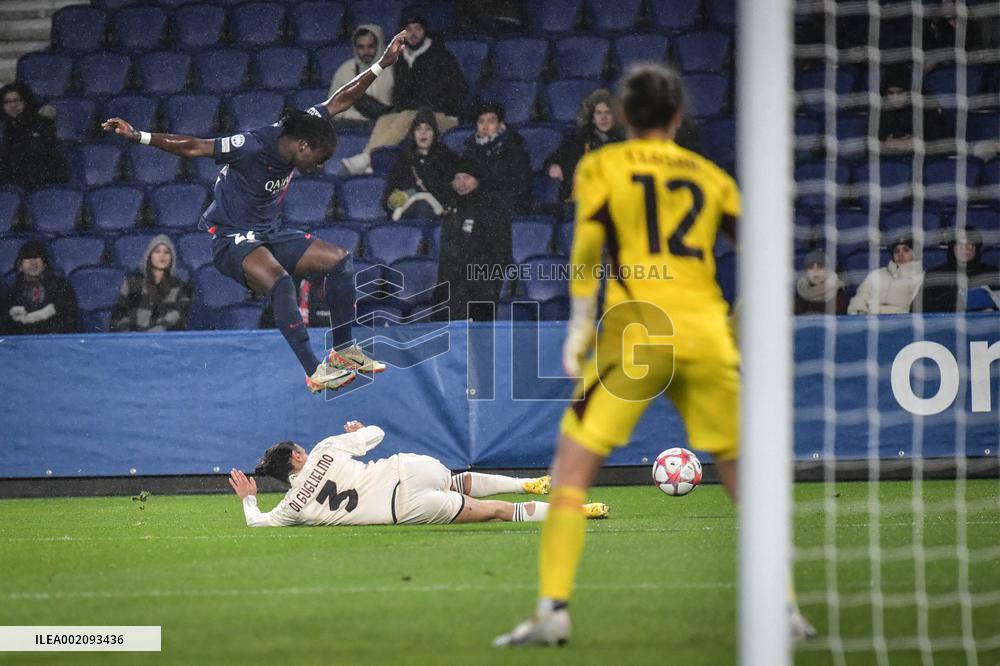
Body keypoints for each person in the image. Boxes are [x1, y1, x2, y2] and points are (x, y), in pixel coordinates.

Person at [493, 63, 815, 647]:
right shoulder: (710, 176)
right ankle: (786, 610)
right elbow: (768, 259)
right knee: (745, 481)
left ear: (622, 116)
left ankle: (553, 609)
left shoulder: (603, 165)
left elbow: (588, 252)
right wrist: (740, 325)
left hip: (636, 335)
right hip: (707, 334)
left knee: (569, 471)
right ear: (678, 116)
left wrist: (577, 330)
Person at [102, 31, 409, 394]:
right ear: (302, 146)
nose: (316, 166)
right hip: (231, 238)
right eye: (317, 159)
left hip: (268, 231)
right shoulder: (251, 146)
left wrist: (380, 64)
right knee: (280, 282)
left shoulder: (304, 127)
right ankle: (315, 370)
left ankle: (344, 352)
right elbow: (193, 147)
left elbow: (340, 101)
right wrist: (138, 135)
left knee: (339, 260)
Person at [229, 419, 609, 527]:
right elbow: (377, 434)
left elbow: (256, 522)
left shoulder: (292, 507)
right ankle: (527, 481)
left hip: (404, 510)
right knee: (455, 478)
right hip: (407, 469)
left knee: (495, 512)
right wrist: (357, 433)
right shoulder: (327, 450)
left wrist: (249, 500)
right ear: (297, 456)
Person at [341, 16, 466, 175]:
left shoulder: (442, 56)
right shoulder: (399, 59)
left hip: (443, 117)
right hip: (411, 114)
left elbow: (458, 90)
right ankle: (369, 159)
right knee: (386, 119)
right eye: (409, 30)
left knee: (410, 114)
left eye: (418, 29)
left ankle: (367, 157)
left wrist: (429, 105)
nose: (413, 34)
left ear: (425, 31)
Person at [432, 158, 511, 321]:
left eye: (467, 178)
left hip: (481, 285)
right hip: (453, 287)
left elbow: (500, 252)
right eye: (458, 178)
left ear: (477, 180)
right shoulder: (450, 211)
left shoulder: (492, 209)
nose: (462, 183)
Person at [544, 89, 625, 204]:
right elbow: (550, 161)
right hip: (578, 202)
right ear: (592, 118)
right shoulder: (576, 140)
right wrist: (553, 166)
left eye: (608, 113)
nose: (604, 118)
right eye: (599, 113)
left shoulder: (624, 143)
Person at [382, 107, 459, 220]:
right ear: (413, 134)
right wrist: (408, 196)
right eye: (418, 129)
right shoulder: (404, 160)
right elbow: (387, 201)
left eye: (428, 129)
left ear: (434, 133)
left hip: (438, 216)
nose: (423, 133)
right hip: (409, 216)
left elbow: (454, 193)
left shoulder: (447, 157)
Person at [109, 235, 194, 332]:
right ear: (149, 256)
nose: (162, 255)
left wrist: (152, 334)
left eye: (167, 252)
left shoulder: (182, 288)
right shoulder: (132, 284)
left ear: (172, 258)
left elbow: (177, 318)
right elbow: (118, 315)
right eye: (157, 251)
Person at [461, 101, 532, 213]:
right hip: (478, 206)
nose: (485, 127)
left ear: (500, 124)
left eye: (491, 121)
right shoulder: (469, 151)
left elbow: (521, 188)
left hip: (506, 206)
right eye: (481, 122)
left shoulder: (514, 148)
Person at [0, 82, 69, 190]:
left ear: (25, 102)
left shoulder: (41, 124)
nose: (13, 105)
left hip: (41, 182)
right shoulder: (3, 128)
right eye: (8, 102)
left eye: (17, 100)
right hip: (11, 185)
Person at [0, 239, 78, 334]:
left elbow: (68, 319)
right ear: (20, 266)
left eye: (37, 257)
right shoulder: (12, 292)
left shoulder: (61, 287)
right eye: (28, 258)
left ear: (45, 264)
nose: (33, 262)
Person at [917, 226, 1000, 312]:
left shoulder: (992, 274)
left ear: (976, 248)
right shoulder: (935, 275)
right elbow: (916, 308)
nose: (965, 248)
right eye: (960, 244)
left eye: (970, 244)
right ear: (953, 248)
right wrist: (952, 297)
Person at [327, 25, 395, 129]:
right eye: (361, 47)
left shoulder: (391, 70)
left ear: (379, 45)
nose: (366, 51)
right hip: (351, 126)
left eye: (370, 46)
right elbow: (334, 109)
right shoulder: (345, 71)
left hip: (384, 126)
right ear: (355, 48)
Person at [847, 233, 924, 314]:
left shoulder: (921, 278)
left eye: (906, 250)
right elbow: (860, 298)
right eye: (896, 251)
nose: (900, 255)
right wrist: (858, 313)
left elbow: (911, 310)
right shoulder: (876, 274)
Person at [794, 249, 848, 315]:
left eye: (820, 267)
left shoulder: (838, 294)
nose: (815, 271)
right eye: (811, 267)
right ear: (806, 271)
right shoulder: (799, 293)